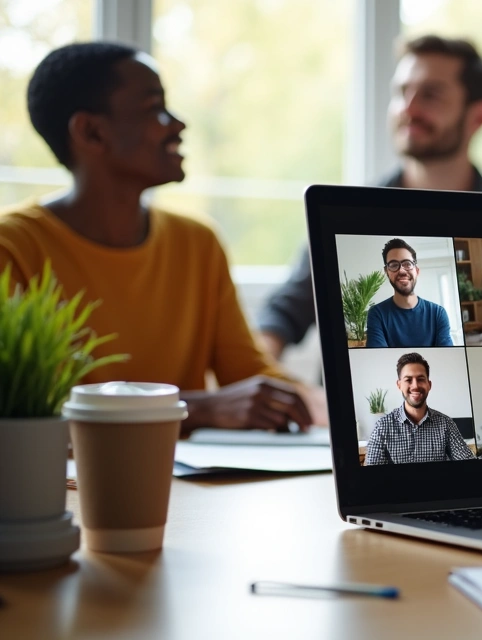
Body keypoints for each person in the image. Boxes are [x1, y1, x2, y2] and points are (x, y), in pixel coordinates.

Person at [0, 42, 313, 436]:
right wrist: (192, 408)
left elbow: (249, 375)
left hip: (195, 489)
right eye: (155, 109)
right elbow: (26, 412)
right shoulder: (12, 248)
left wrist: (338, 402)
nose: (178, 125)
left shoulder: (197, 243)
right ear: (91, 131)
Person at [258, 35, 482, 360]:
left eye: (430, 95)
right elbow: (284, 312)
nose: (407, 109)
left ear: (477, 116)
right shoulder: (349, 210)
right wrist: (265, 377)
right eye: (401, 92)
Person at [365, 352, 473, 465]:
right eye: (408, 380)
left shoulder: (446, 424)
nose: (415, 386)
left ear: (429, 385)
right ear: (399, 385)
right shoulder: (382, 426)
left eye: (421, 379)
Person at [365, 238, 454, 348]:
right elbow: (378, 359)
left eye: (407, 264)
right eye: (393, 265)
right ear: (387, 272)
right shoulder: (377, 314)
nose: (401, 271)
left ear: (416, 271)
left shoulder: (438, 313)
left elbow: (447, 357)